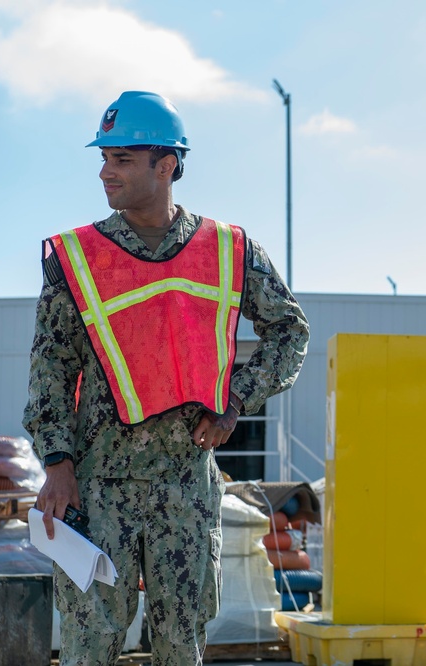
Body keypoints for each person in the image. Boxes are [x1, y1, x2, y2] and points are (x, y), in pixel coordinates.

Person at [23, 91, 310, 666]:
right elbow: (51, 366)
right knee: (90, 645)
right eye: (103, 158)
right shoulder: (79, 257)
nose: (106, 171)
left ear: (167, 165)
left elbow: (290, 332)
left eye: (122, 159)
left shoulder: (230, 250)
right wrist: (56, 462)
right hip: (97, 486)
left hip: (186, 485)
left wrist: (234, 401)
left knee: (182, 646)